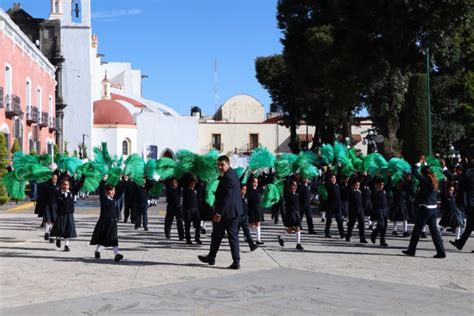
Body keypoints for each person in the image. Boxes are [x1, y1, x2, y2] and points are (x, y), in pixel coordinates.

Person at [198, 155, 243, 269]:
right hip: (233, 212)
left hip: (226, 214)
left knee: (223, 236)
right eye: (218, 165)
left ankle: (218, 258)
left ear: (228, 164)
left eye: (222, 165)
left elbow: (227, 197)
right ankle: (217, 258)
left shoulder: (228, 177)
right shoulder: (231, 174)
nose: (220, 167)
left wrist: (219, 213)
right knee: (221, 235)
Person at [403, 166, 446, 258]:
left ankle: (411, 250)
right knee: (434, 231)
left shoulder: (426, 180)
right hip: (433, 209)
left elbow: (414, 172)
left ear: (423, 173)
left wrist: (419, 163)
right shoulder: (434, 180)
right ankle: (441, 251)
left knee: (417, 230)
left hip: (425, 208)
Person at [90, 180, 124, 262]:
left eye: (113, 190)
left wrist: (124, 181)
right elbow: (101, 191)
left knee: (114, 238)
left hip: (113, 221)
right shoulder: (104, 198)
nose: (112, 192)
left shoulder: (114, 199)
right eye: (110, 190)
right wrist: (103, 182)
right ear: (106, 191)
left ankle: (116, 255)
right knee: (102, 237)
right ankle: (97, 251)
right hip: (104, 221)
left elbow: (121, 191)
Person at [49, 175, 85, 251]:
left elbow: (80, 185)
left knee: (68, 230)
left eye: (67, 185)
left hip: (69, 214)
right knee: (59, 229)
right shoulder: (58, 193)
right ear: (61, 185)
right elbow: (52, 187)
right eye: (64, 185)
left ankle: (66, 245)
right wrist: (54, 179)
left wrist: (83, 176)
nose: (66, 186)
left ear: (69, 185)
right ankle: (58, 238)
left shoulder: (72, 192)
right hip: (61, 214)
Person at [449, 157, 474, 252]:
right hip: (471, 204)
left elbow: (463, 175)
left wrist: (463, 163)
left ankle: (460, 243)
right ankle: (460, 243)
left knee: (470, 226)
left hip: (472, 205)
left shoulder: (470, 174)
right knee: (469, 227)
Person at [278, 179, 304, 250]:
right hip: (291, 213)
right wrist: (287, 176)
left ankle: (297, 244)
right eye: (293, 185)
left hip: (297, 213)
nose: (294, 187)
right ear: (290, 186)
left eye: (295, 185)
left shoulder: (296, 194)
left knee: (296, 228)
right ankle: (281, 237)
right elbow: (286, 185)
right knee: (290, 229)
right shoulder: (287, 193)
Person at [345, 179, 367, 243]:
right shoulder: (351, 191)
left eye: (358, 185)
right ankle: (348, 236)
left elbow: (364, 183)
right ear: (353, 185)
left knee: (362, 224)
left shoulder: (360, 191)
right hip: (353, 211)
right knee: (351, 224)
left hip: (360, 210)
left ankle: (362, 238)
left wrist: (365, 177)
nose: (357, 186)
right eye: (356, 185)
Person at [325, 173, 345, 239]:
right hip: (330, 205)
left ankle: (342, 234)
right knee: (329, 220)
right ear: (330, 179)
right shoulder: (328, 185)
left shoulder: (337, 185)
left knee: (339, 220)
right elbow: (326, 177)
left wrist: (339, 167)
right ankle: (327, 233)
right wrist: (328, 169)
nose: (334, 179)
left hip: (337, 205)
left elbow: (339, 177)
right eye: (332, 178)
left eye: (334, 178)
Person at [182, 176, 201, 245]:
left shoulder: (196, 190)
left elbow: (199, 182)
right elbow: (184, 180)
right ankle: (188, 239)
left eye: (194, 183)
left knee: (198, 225)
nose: (193, 184)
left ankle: (197, 238)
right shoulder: (186, 189)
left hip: (195, 209)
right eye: (192, 183)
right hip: (187, 210)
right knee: (187, 225)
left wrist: (196, 175)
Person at [239, 184, 258, 251]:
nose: (244, 191)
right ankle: (235, 246)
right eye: (243, 189)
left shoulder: (246, 198)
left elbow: (249, 207)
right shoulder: (236, 198)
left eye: (245, 190)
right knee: (235, 233)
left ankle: (251, 245)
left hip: (245, 217)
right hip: (237, 217)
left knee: (247, 232)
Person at [370, 178, 389, 247]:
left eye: (382, 184)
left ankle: (382, 240)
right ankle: (374, 234)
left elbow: (389, 185)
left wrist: (388, 176)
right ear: (376, 185)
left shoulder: (384, 191)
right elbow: (372, 184)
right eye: (379, 184)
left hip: (385, 210)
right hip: (378, 210)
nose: (381, 185)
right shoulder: (374, 191)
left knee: (385, 226)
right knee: (381, 225)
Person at [247, 177, 264, 245]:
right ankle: (246, 233)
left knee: (258, 223)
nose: (255, 184)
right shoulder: (249, 189)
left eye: (256, 182)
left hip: (258, 209)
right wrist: (251, 174)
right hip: (251, 209)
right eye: (254, 182)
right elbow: (248, 181)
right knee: (251, 224)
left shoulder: (259, 190)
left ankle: (258, 239)